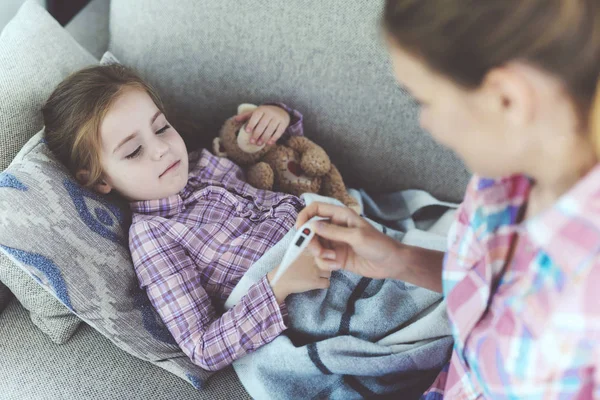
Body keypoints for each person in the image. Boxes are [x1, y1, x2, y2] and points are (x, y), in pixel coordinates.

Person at [298, 0, 600, 398]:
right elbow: (496, 295)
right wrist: (397, 258)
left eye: (423, 100)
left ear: (506, 99)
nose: (424, 122)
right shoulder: (501, 181)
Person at [42, 64, 331, 371]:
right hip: (310, 294)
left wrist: (276, 117)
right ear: (100, 181)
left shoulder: (203, 163)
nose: (162, 150)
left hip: (333, 232)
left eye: (161, 128)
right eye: (134, 151)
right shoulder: (153, 237)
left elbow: (277, 158)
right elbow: (202, 347)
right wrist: (279, 285)